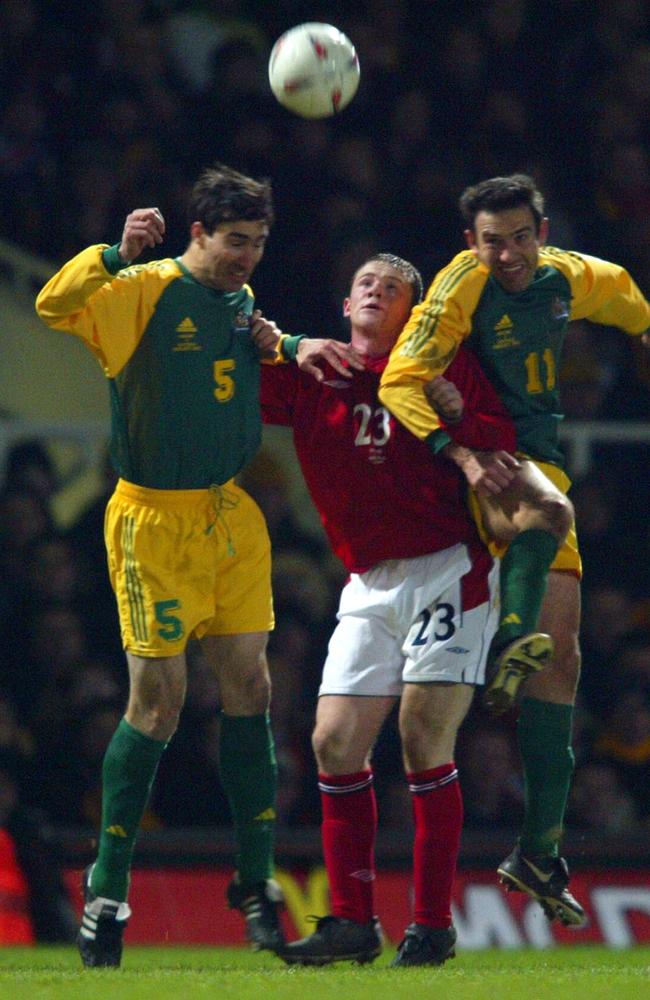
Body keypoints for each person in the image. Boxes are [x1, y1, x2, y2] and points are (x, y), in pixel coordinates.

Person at [35, 162, 356, 968]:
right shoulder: (144, 288)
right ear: (198, 233)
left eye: (258, 243)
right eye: (236, 241)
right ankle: (106, 894)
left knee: (253, 687)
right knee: (160, 703)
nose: (249, 256)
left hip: (230, 516)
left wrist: (280, 344)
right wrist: (111, 253)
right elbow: (53, 305)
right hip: (152, 522)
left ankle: (254, 886)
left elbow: (242, 356)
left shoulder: (238, 302)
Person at [379, 173, 650, 927]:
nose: (508, 255)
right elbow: (404, 375)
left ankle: (538, 852)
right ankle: (507, 636)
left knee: (562, 663)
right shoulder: (462, 285)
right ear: (472, 243)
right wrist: (457, 449)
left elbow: (625, 293)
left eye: (520, 237)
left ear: (542, 230)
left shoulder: (567, 276)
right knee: (547, 512)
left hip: (538, 454)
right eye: (491, 241)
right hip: (483, 456)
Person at [259, 253, 517, 966]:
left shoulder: (440, 364)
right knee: (334, 743)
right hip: (368, 580)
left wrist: (463, 418)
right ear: (346, 307)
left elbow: (500, 449)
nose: (377, 291)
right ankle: (351, 922)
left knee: (422, 739)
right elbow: (223, 364)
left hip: (448, 565)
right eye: (366, 284)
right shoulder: (316, 372)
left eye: (394, 287)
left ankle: (432, 925)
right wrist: (283, 342)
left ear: (413, 312)